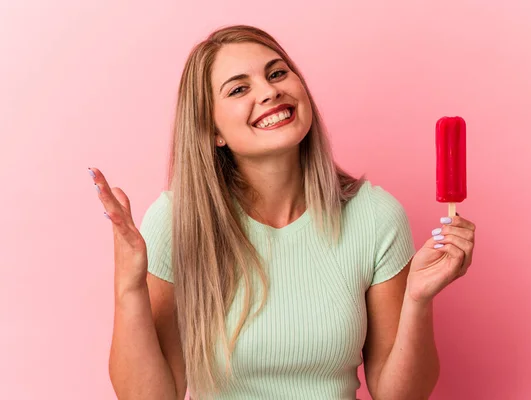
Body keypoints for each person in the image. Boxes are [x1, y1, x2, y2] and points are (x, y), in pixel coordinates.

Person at [90, 25, 476, 400]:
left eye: (277, 73)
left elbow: (401, 395)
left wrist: (418, 299)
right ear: (212, 131)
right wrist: (129, 285)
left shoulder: (375, 216)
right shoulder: (177, 221)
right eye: (239, 89)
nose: (270, 91)